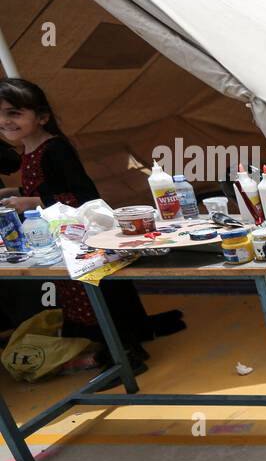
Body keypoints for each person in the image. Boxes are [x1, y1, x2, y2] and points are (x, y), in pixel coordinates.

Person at [0, 78, 182, 364]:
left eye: (14, 113)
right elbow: (48, 187)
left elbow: (84, 197)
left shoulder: (55, 149)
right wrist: (16, 193)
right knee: (78, 293)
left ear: (42, 117)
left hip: (84, 239)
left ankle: (126, 356)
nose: (4, 121)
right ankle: (125, 340)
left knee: (97, 297)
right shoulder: (28, 150)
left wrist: (32, 203)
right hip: (63, 238)